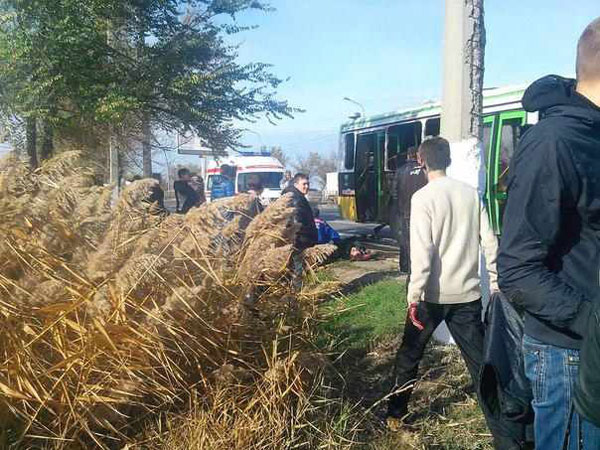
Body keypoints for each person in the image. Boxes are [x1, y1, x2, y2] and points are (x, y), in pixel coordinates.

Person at [498, 18, 600, 450]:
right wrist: (591, 321)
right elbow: (517, 269)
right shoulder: (554, 141)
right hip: (569, 356)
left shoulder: (592, 135)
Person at [388, 138, 509, 448]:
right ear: (449, 160)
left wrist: (414, 295)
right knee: (480, 363)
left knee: (409, 356)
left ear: (421, 161)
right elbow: (490, 242)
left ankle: (396, 415)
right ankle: (503, 429)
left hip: (430, 297)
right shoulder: (470, 195)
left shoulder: (422, 198)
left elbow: (423, 253)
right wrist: (495, 283)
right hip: (468, 295)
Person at [393, 146, 428, 274]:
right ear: (418, 155)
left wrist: (399, 209)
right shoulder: (425, 171)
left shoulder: (400, 171)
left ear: (408, 156)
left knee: (406, 241)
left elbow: (394, 193)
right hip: (423, 212)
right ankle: (421, 267)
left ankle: (406, 267)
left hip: (406, 212)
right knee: (423, 240)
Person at [282, 173, 318, 251]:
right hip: (301, 243)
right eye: (304, 184)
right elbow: (297, 223)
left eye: (308, 184)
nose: (307, 186)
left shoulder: (293, 195)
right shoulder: (296, 198)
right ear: (296, 184)